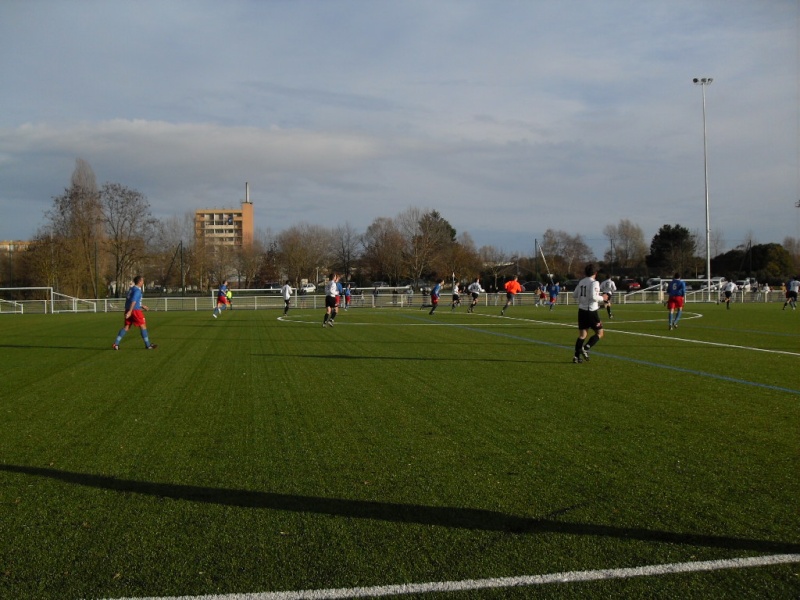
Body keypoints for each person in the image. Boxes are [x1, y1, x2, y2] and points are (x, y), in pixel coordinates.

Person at [112, 275, 157, 350]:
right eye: (142, 281)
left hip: (128, 309)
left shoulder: (131, 289)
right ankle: (148, 345)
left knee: (126, 327)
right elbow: (133, 301)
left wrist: (141, 306)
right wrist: (130, 311)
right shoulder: (137, 291)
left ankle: (115, 344)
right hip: (135, 311)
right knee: (143, 326)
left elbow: (132, 301)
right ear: (139, 282)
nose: (143, 282)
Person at [572, 264, 603, 364]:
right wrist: (603, 298)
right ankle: (586, 347)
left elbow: (574, 295)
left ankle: (576, 357)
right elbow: (594, 297)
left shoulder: (581, 281)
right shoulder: (594, 282)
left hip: (581, 311)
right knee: (600, 333)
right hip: (591, 311)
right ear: (595, 273)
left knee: (582, 335)